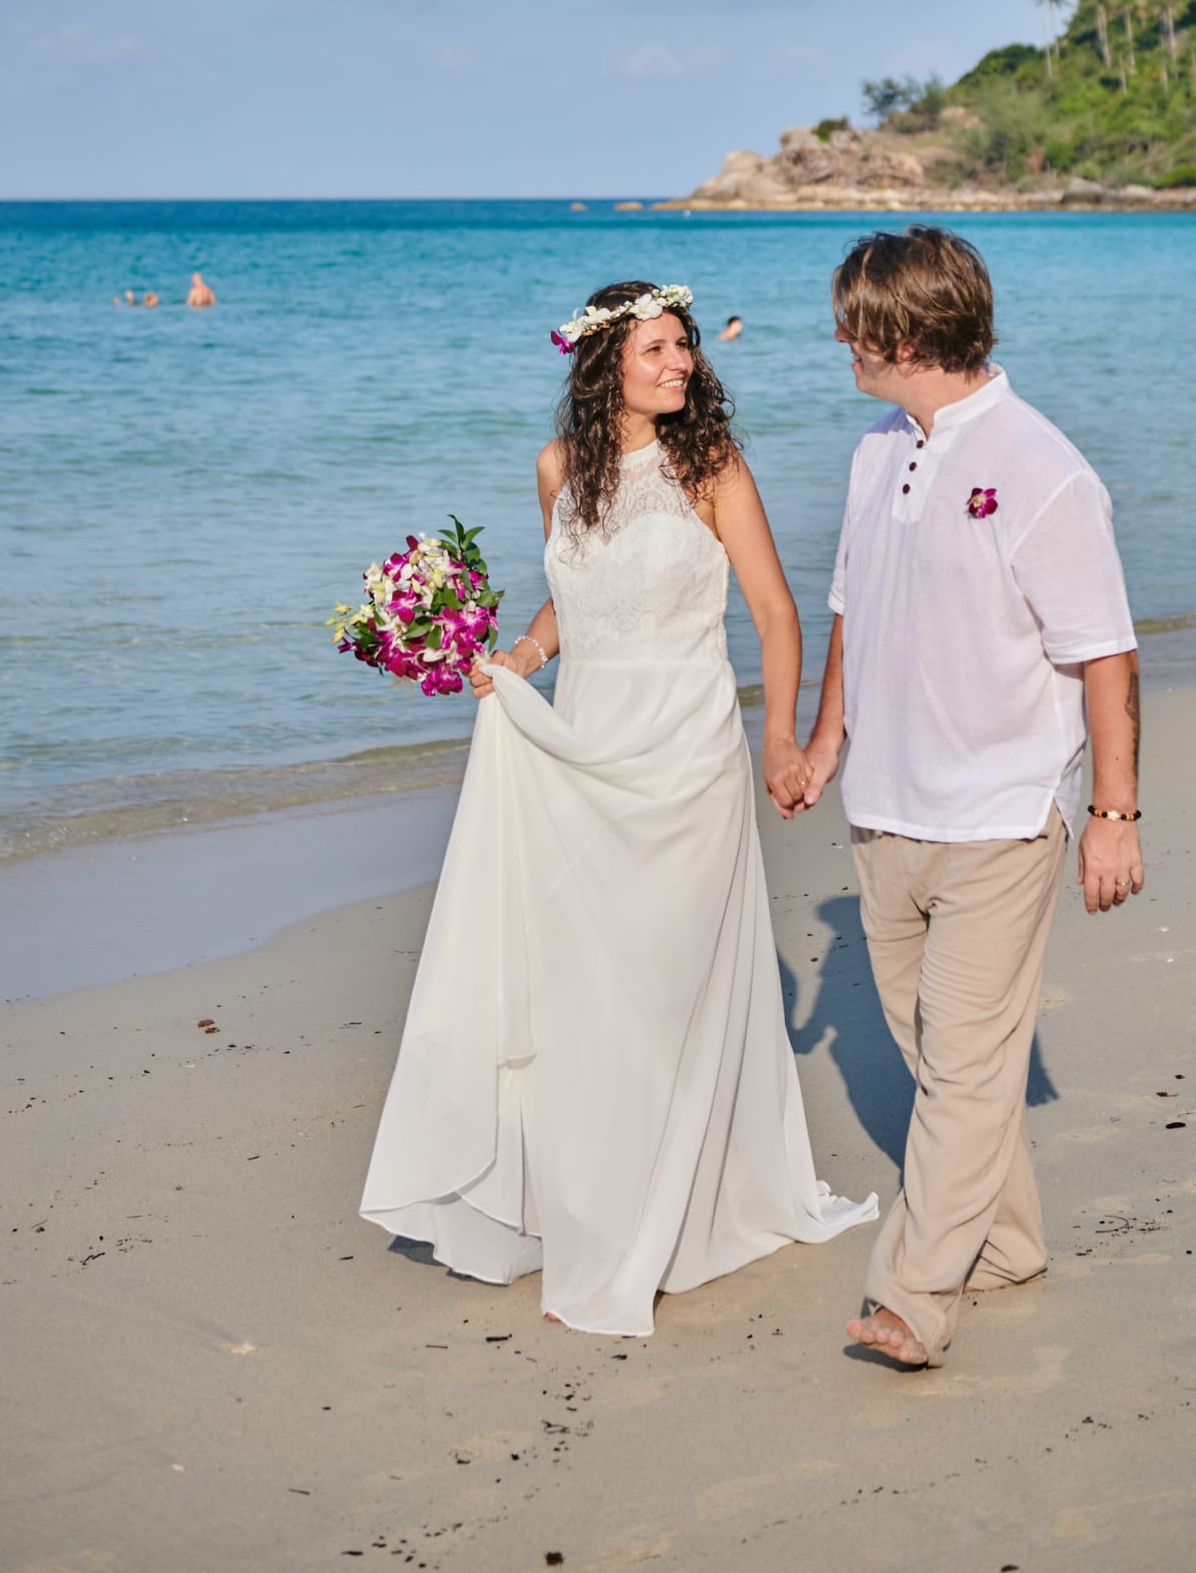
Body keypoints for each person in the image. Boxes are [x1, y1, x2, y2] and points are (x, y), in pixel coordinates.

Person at [359, 280, 875, 1336]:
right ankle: (595, 1207)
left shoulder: (711, 465)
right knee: (588, 985)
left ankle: (662, 1224)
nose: (680, 364)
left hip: (688, 758)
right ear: (605, 365)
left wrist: (778, 738)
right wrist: (522, 656)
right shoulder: (559, 470)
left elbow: (775, 613)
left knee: (663, 981)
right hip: (587, 753)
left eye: (684, 347)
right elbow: (572, 593)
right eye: (657, 349)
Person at [769, 227, 1141, 1370]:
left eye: (852, 323)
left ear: (904, 331)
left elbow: (1107, 657)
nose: (839, 341)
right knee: (943, 1061)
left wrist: (1115, 818)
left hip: (999, 817)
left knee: (969, 1065)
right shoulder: (879, 449)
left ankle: (915, 1299)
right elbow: (849, 608)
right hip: (884, 812)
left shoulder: (1043, 468)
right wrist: (824, 740)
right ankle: (1010, 1243)